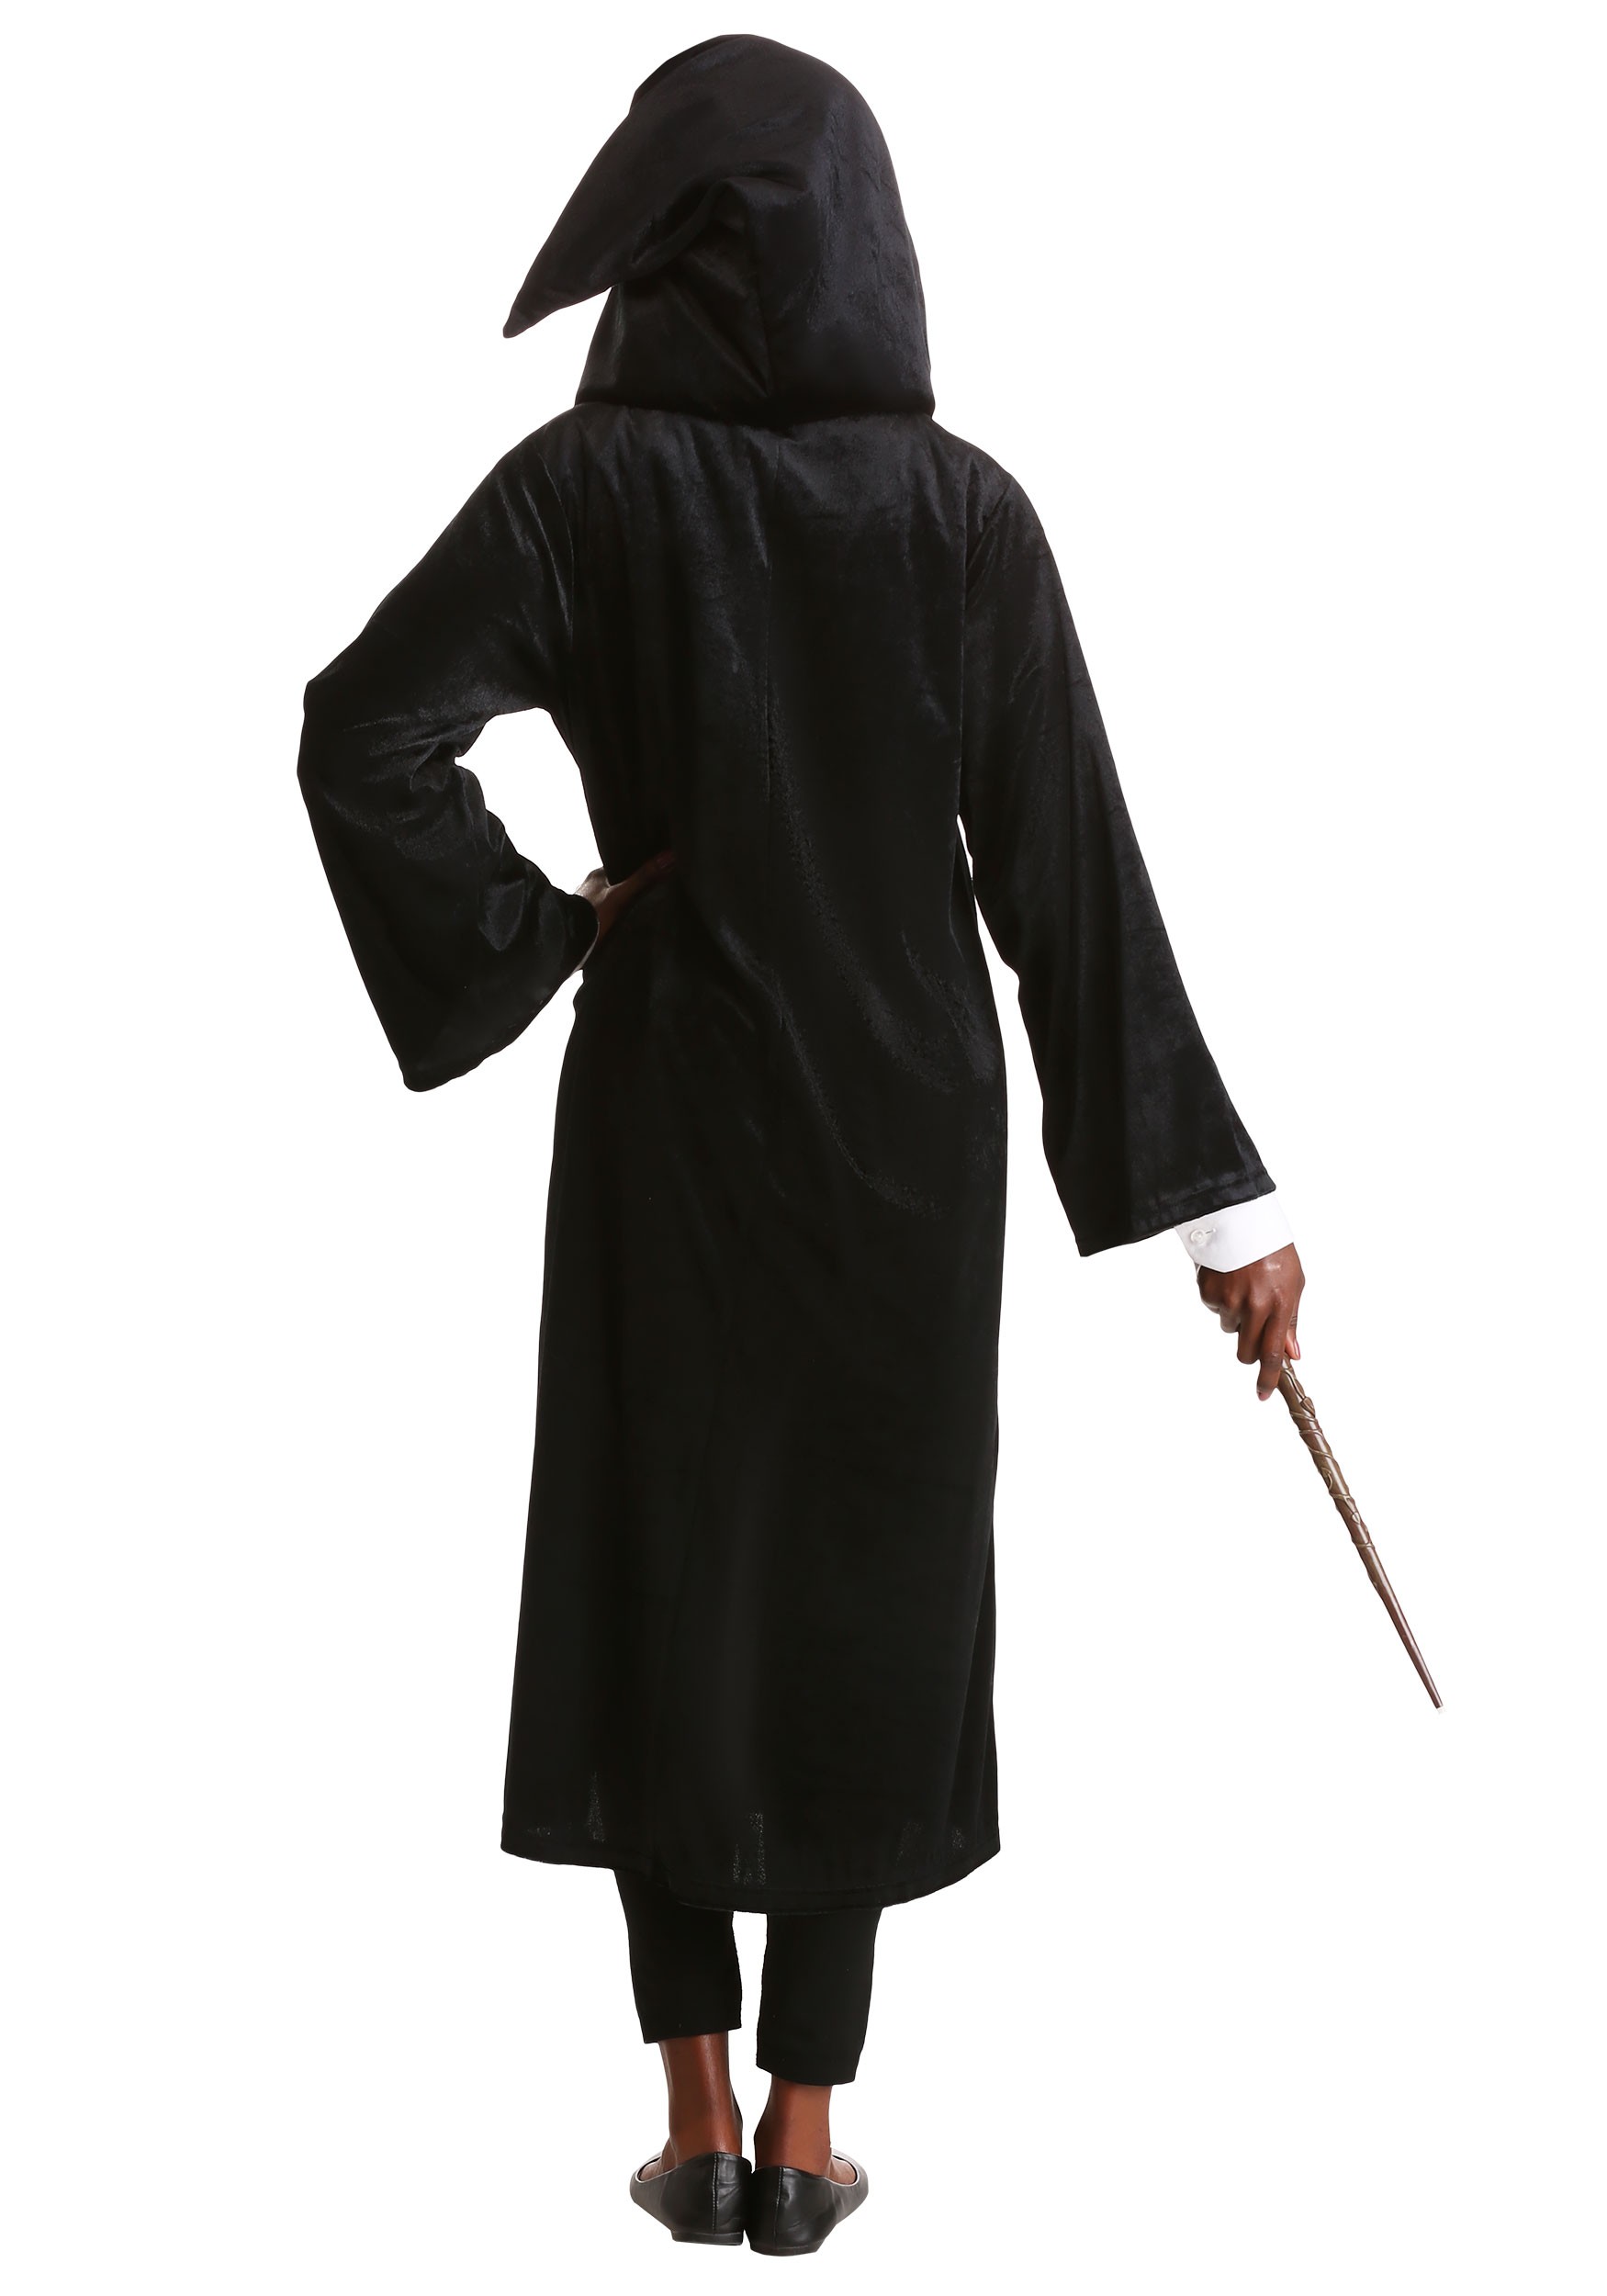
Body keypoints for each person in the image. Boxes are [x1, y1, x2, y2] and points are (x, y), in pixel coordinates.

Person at [297, 33, 1305, 2257]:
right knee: (859, 1582)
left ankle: (686, 2099)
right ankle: (809, 2112)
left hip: (668, 1115)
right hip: (898, 1153)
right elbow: (1065, 876)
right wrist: (1221, 1218)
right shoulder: (961, 512)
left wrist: (540, 929)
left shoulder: (584, 492)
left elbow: (360, 730)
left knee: (668, 1562)